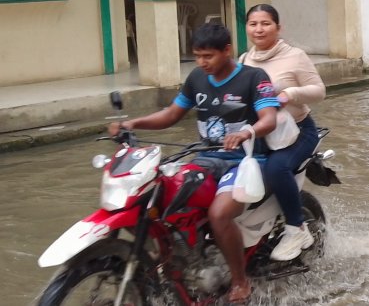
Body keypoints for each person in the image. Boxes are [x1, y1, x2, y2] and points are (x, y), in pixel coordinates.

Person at [109, 23, 278, 304]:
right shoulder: (197, 78)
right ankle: (179, 263)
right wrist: (133, 123)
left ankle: (240, 281)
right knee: (161, 197)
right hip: (206, 159)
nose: (202, 62)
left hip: (246, 161)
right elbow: (172, 114)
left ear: (227, 51)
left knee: (219, 213)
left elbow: (269, 119)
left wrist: (246, 132)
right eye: (197, 56)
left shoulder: (253, 77)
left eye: (208, 56)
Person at [242, 4, 326, 261]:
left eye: (265, 23)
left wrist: (289, 94)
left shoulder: (295, 56)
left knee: (276, 169)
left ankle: (296, 227)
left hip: (298, 132)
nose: (259, 29)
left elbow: (319, 90)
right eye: (253, 24)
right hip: (261, 135)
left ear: (278, 28)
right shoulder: (244, 60)